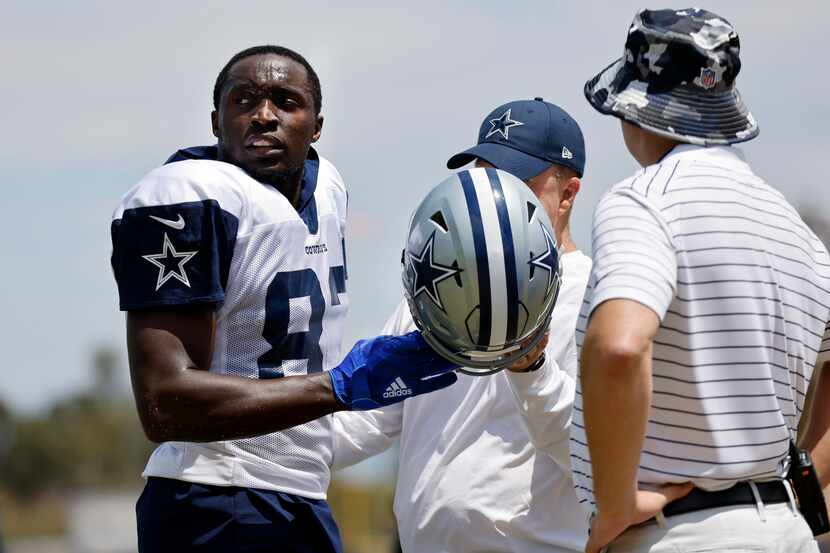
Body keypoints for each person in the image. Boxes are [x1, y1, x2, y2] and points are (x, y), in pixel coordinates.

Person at [109, 45, 457, 553]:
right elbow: (164, 404)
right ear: (216, 121)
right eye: (243, 101)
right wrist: (337, 388)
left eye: (284, 101)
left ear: (316, 125)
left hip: (301, 493)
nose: (263, 116)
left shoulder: (328, 188)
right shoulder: (187, 196)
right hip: (215, 492)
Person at [571, 8, 830, 553]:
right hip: (784, 530)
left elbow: (619, 347)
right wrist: (803, 491)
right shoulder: (796, 230)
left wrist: (617, 504)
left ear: (639, 111)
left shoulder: (644, 202)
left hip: (679, 533)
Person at [332, 98, 592, 553]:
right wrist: (244, 437)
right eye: (484, 174)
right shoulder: (437, 291)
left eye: (517, 179)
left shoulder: (592, 295)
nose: (496, 192)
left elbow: (594, 458)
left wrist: (532, 367)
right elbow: (365, 424)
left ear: (567, 193)